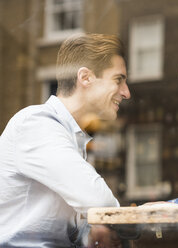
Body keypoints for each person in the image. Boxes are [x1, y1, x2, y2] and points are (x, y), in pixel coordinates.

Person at [0, 33, 131, 248]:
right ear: (86, 77)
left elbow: (65, 229)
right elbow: (100, 204)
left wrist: (92, 234)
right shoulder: (35, 124)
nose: (126, 93)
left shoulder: (71, 137)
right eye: (118, 80)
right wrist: (142, 215)